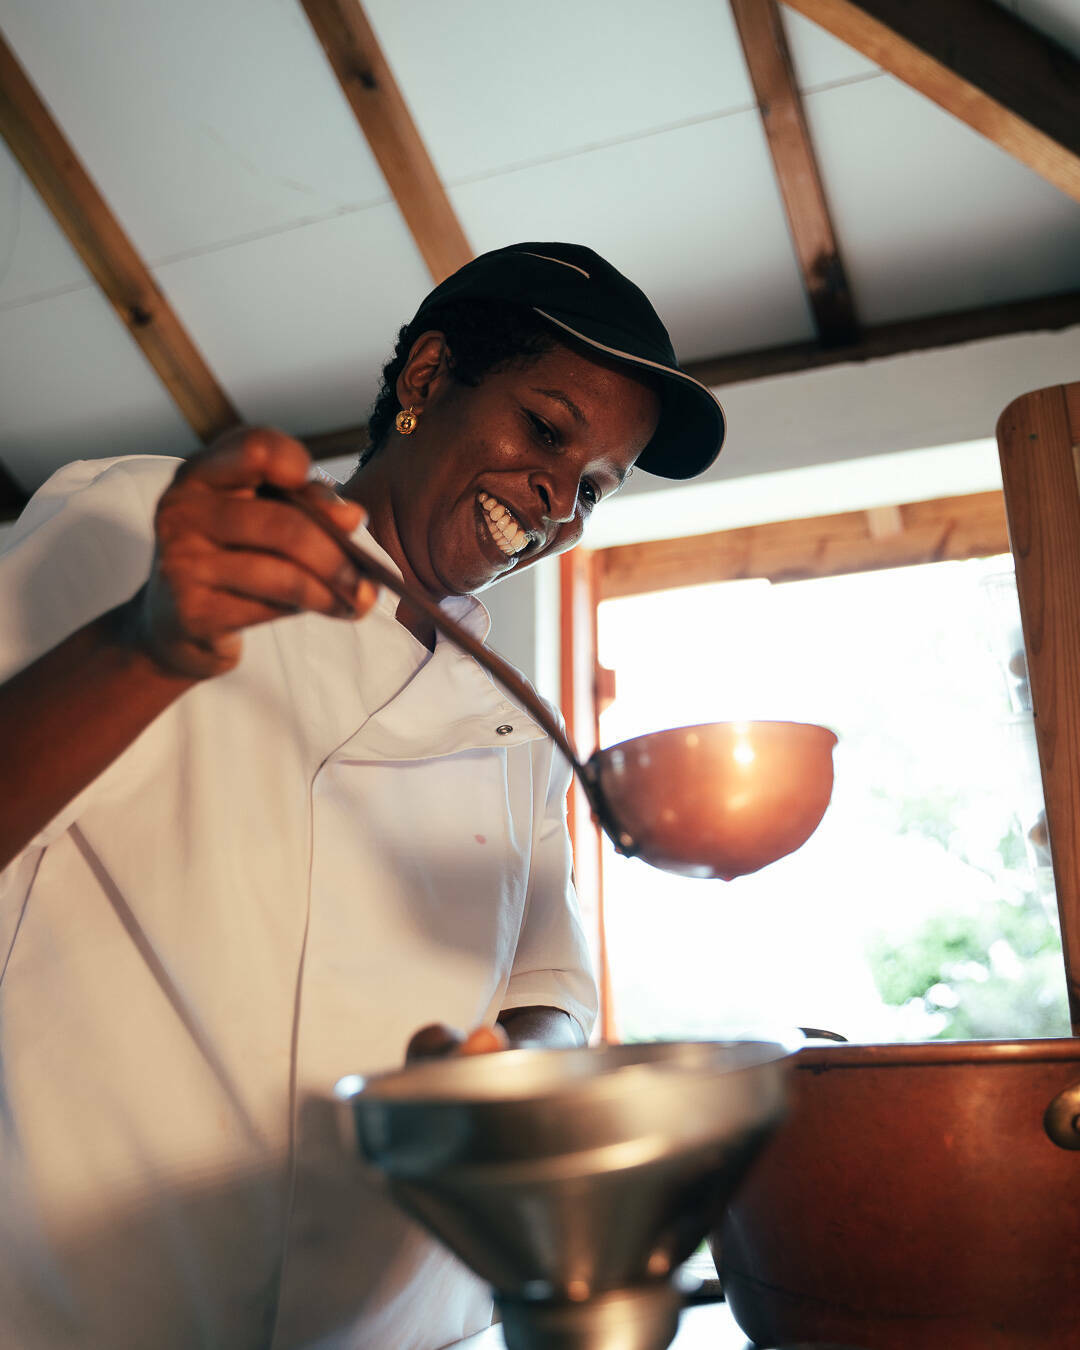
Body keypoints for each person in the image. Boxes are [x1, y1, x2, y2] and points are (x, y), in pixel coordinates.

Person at [0, 242, 724, 1349]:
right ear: (427, 381)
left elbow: (548, 987)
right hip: (90, 1302)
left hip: (405, 1323)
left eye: (592, 487)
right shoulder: (151, 526)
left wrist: (501, 1095)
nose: (558, 499)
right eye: (545, 430)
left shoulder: (517, 722)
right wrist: (146, 645)